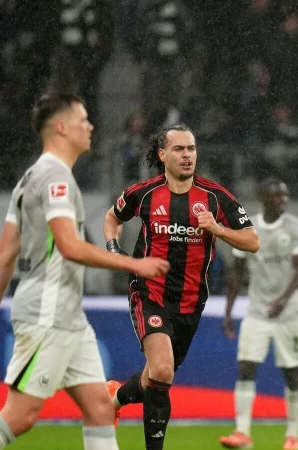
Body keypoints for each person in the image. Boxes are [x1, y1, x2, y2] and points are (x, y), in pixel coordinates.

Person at [0, 93, 169, 450]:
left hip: (69, 319)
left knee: (101, 409)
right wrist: (134, 263)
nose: (90, 126)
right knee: (21, 416)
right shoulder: (54, 177)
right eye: (82, 119)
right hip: (47, 314)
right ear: (61, 127)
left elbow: (5, 256)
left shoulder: (29, 178)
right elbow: (69, 245)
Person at [103, 124, 260, 450]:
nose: (187, 155)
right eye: (179, 149)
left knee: (154, 379)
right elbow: (112, 218)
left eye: (191, 149)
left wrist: (218, 229)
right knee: (162, 370)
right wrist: (114, 251)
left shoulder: (215, 197)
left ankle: (113, 399)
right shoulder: (144, 193)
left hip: (190, 302)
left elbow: (253, 241)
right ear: (162, 155)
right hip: (149, 292)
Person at [219, 178, 298, 450]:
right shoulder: (248, 229)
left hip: (289, 314)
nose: (283, 200)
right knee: (246, 367)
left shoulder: (296, 227)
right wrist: (228, 312)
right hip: (257, 311)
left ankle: (292, 436)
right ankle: (242, 433)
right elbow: (237, 272)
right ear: (264, 199)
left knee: (291, 372)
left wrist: (283, 300)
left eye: (285, 195)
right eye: (277, 196)